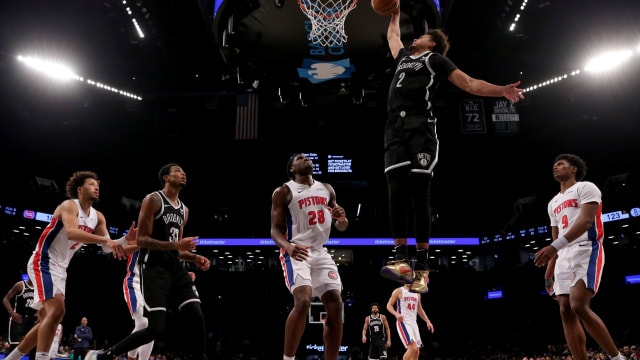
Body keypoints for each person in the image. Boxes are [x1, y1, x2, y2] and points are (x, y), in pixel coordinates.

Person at [380, 4, 524, 293]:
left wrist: (501, 91)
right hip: (394, 128)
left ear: (431, 42)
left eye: (419, 37)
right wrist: (395, 13)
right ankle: (401, 259)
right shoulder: (405, 58)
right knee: (396, 192)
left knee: (419, 194)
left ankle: (422, 266)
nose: (413, 39)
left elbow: (469, 84)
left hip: (421, 129)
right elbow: (392, 37)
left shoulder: (436, 60)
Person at [2, 171, 129, 360]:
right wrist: (107, 240)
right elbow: (72, 232)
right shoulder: (69, 206)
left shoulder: (98, 217)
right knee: (58, 311)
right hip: (43, 260)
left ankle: (11, 358)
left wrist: (127, 240)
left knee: (49, 319)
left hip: (61, 268)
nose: (97, 187)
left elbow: (108, 247)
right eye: (92, 184)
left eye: (98, 184)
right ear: (80, 189)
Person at [98, 164, 210, 360]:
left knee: (196, 315)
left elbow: (176, 249)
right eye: (177, 171)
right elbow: (141, 240)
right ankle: (109, 354)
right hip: (154, 270)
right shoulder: (153, 200)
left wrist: (194, 257)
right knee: (154, 329)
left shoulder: (185, 210)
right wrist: (176, 246)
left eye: (184, 171)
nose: (183, 173)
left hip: (175, 269)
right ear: (166, 177)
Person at [534, 154, 625, 360]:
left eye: (560, 164)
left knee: (578, 305)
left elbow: (585, 222)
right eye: (554, 165)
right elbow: (555, 239)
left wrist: (553, 247)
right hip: (563, 254)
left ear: (573, 169)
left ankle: (617, 358)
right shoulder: (553, 202)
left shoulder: (586, 187)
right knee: (565, 310)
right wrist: (549, 270)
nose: (555, 167)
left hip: (586, 248)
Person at [271, 154, 348, 360]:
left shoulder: (326, 188)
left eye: (307, 157)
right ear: (292, 169)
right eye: (299, 158)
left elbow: (342, 225)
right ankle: (288, 358)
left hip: (321, 251)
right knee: (303, 300)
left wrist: (341, 219)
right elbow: (274, 230)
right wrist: (288, 247)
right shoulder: (284, 191)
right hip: (297, 251)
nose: (305, 159)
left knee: (335, 302)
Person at [386, 284, 434, 360]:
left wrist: (427, 321)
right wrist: (396, 314)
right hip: (404, 322)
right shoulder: (398, 291)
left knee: (417, 351)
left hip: (414, 323)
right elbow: (389, 305)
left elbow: (419, 309)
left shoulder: (417, 293)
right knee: (412, 348)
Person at [3, 279, 37, 347]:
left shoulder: (39, 287)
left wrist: (39, 312)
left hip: (32, 319)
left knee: (34, 347)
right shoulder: (20, 285)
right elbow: (6, 299)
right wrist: (12, 313)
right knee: (13, 347)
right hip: (18, 319)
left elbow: (43, 301)